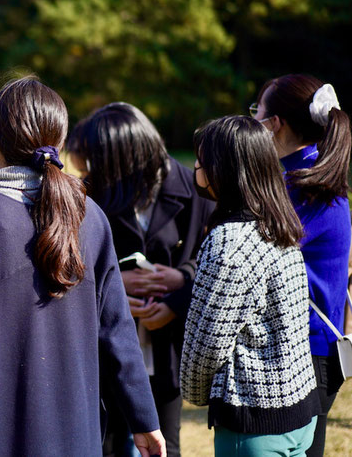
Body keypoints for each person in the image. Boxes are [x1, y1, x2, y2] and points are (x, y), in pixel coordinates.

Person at [0, 77, 165, 457]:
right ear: (61, 141)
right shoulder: (91, 216)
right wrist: (145, 419)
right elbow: (117, 331)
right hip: (79, 438)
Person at [67, 102, 214, 457]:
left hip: (170, 342)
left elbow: (215, 257)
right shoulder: (91, 193)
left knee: (165, 444)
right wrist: (115, 285)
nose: (89, 172)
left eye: (96, 161)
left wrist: (180, 284)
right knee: (106, 442)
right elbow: (70, 262)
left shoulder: (195, 189)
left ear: (122, 155)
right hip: (109, 344)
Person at [181, 115, 320, 456]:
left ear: (223, 171)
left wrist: (193, 393)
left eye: (202, 160)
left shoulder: (229, 242)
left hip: (254, 422)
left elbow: (207, 343)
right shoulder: (280, 224)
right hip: (301, 408)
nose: (196, 167)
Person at [251, 75, 352, 457]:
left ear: (274, 123)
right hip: (314, 351)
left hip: (304, 354)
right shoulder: (312, 179)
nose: (253, 121)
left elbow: (255, 256)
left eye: (257, 112)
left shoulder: (301, 187)